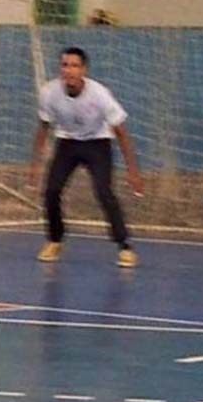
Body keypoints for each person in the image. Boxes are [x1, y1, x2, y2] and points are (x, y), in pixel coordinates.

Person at [30, 46, 144, 268]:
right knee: (51, 191)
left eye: (74, 66)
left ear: (84, 70)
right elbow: (44, 127)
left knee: (104, 191)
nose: (69, 71)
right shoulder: (49, 93)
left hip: (97, 143)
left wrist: (133, 170)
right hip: (67, 144)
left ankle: (125, 245)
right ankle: (55, 240)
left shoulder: (100, 94)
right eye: (65, 65)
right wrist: (35, 164)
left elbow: (121, 131)